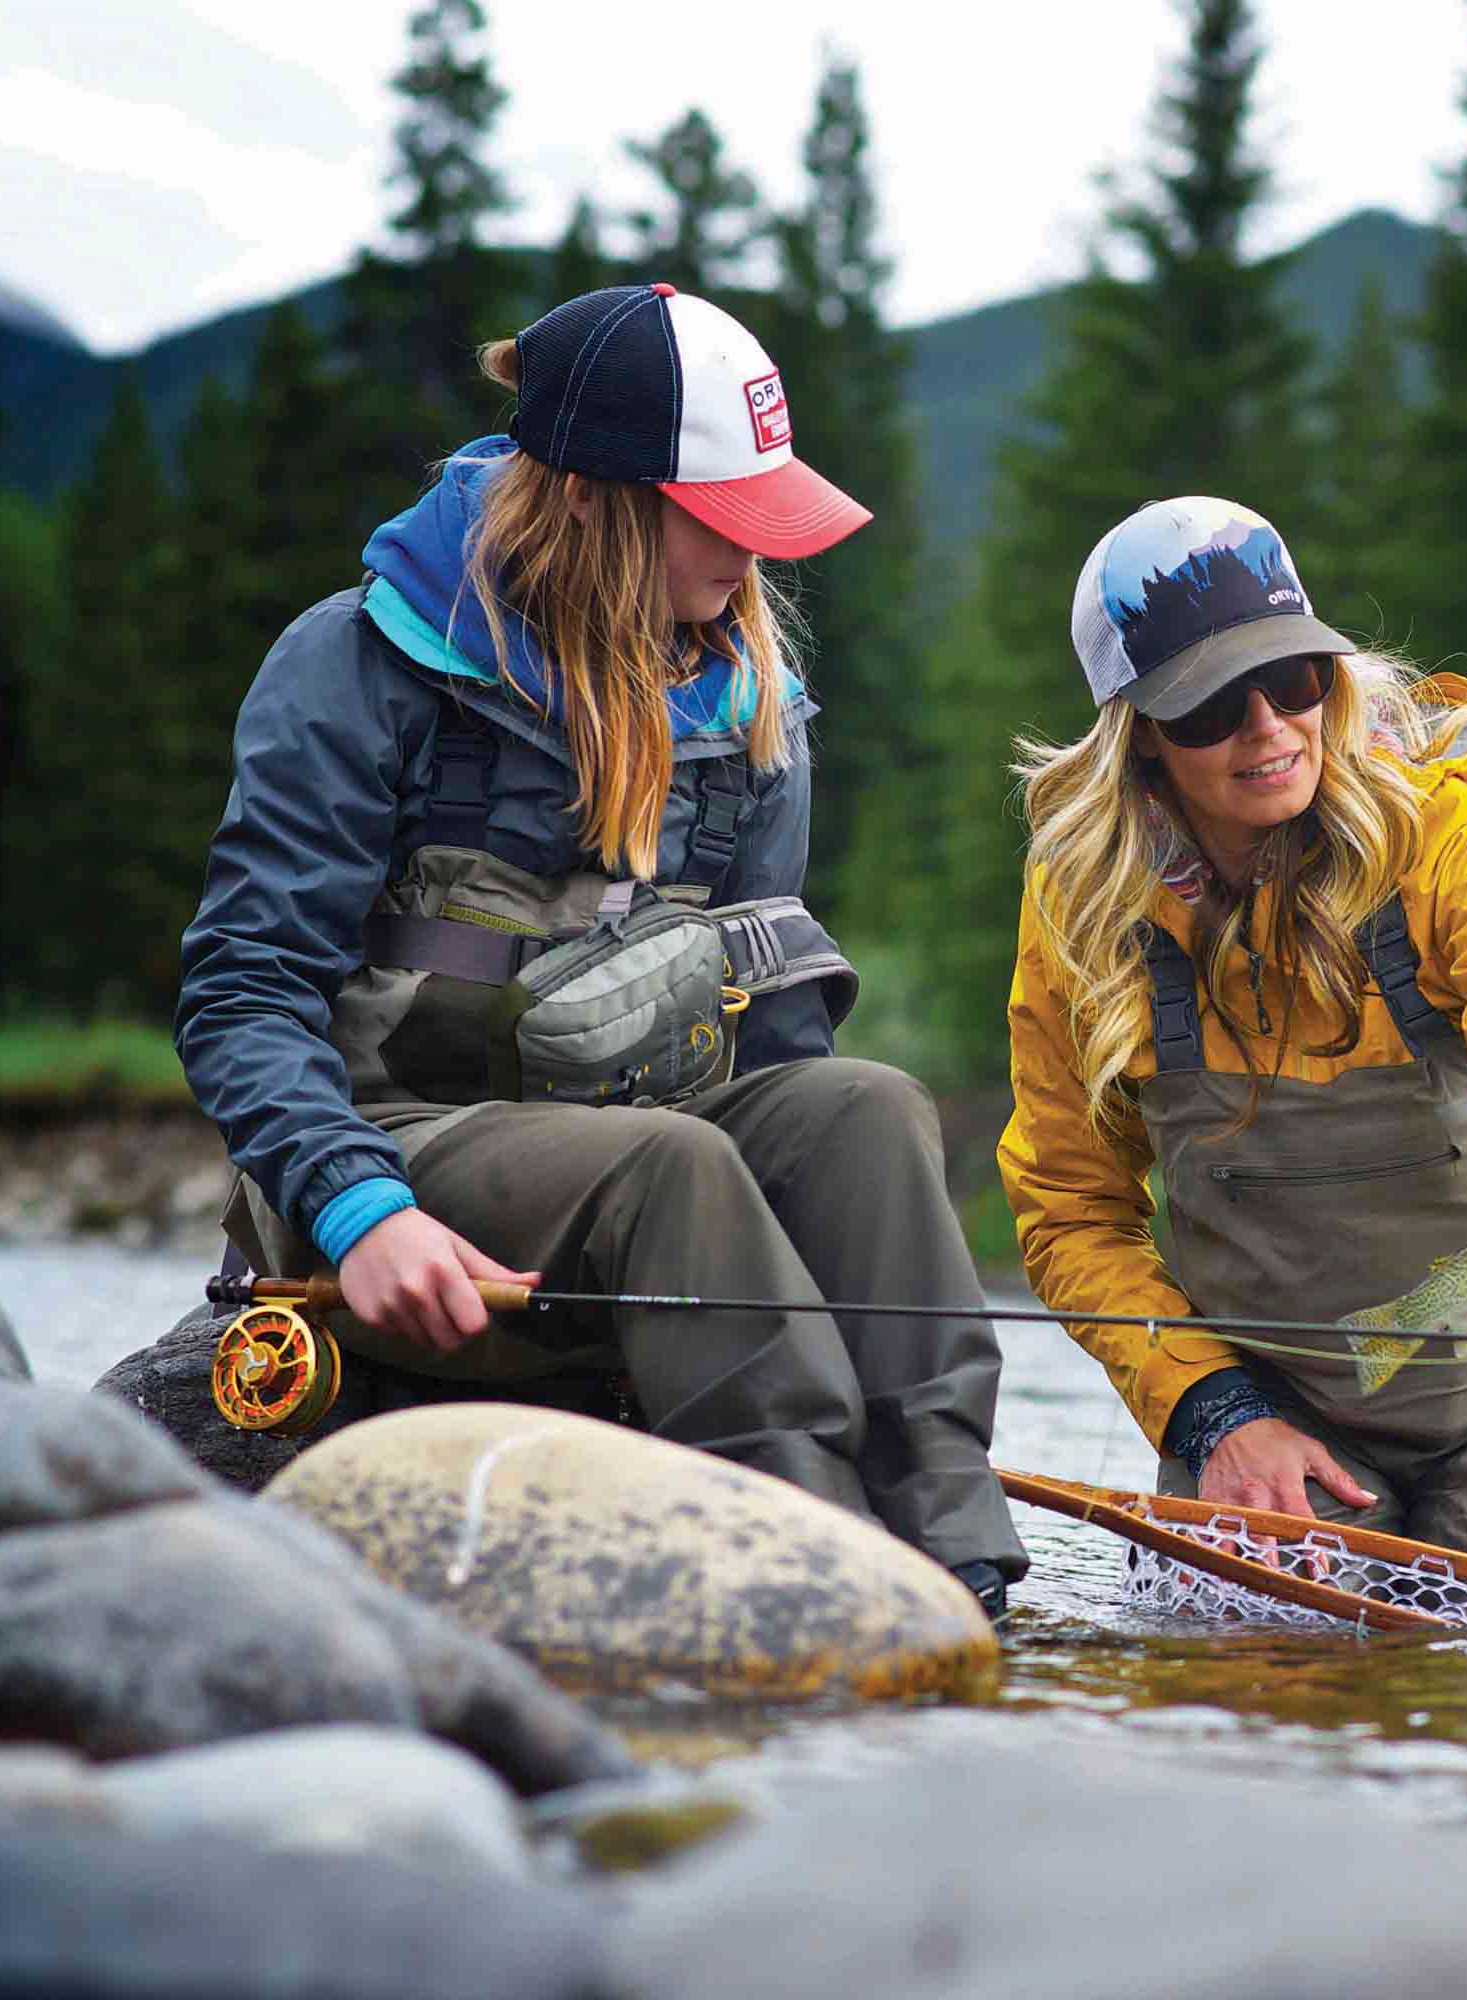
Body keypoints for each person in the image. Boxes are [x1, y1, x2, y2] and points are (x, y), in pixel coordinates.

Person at [176, 283, 1025, 1616]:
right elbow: (243, 993)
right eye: (720, 523)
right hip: (400, 1143)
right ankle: (814, 1572)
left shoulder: (755, 709)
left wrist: (800, 1286)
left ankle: (957, 1554)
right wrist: (359, 1211)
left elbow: (768, 1023)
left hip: (638, 1162)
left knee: (866, 1109)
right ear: (585, 493)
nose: (754, 562)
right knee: (672, 1164)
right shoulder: (355, 665)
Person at [997, 497, 1467, 1597]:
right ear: (1139, 736)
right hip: (1269, 1418)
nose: (1268, 726)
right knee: (1264, 1692)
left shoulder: (1447, 826)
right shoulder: (1086, 905)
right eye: (1209, 704)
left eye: (1293, 678)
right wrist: (1211, 1410)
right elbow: (1069, 1209)